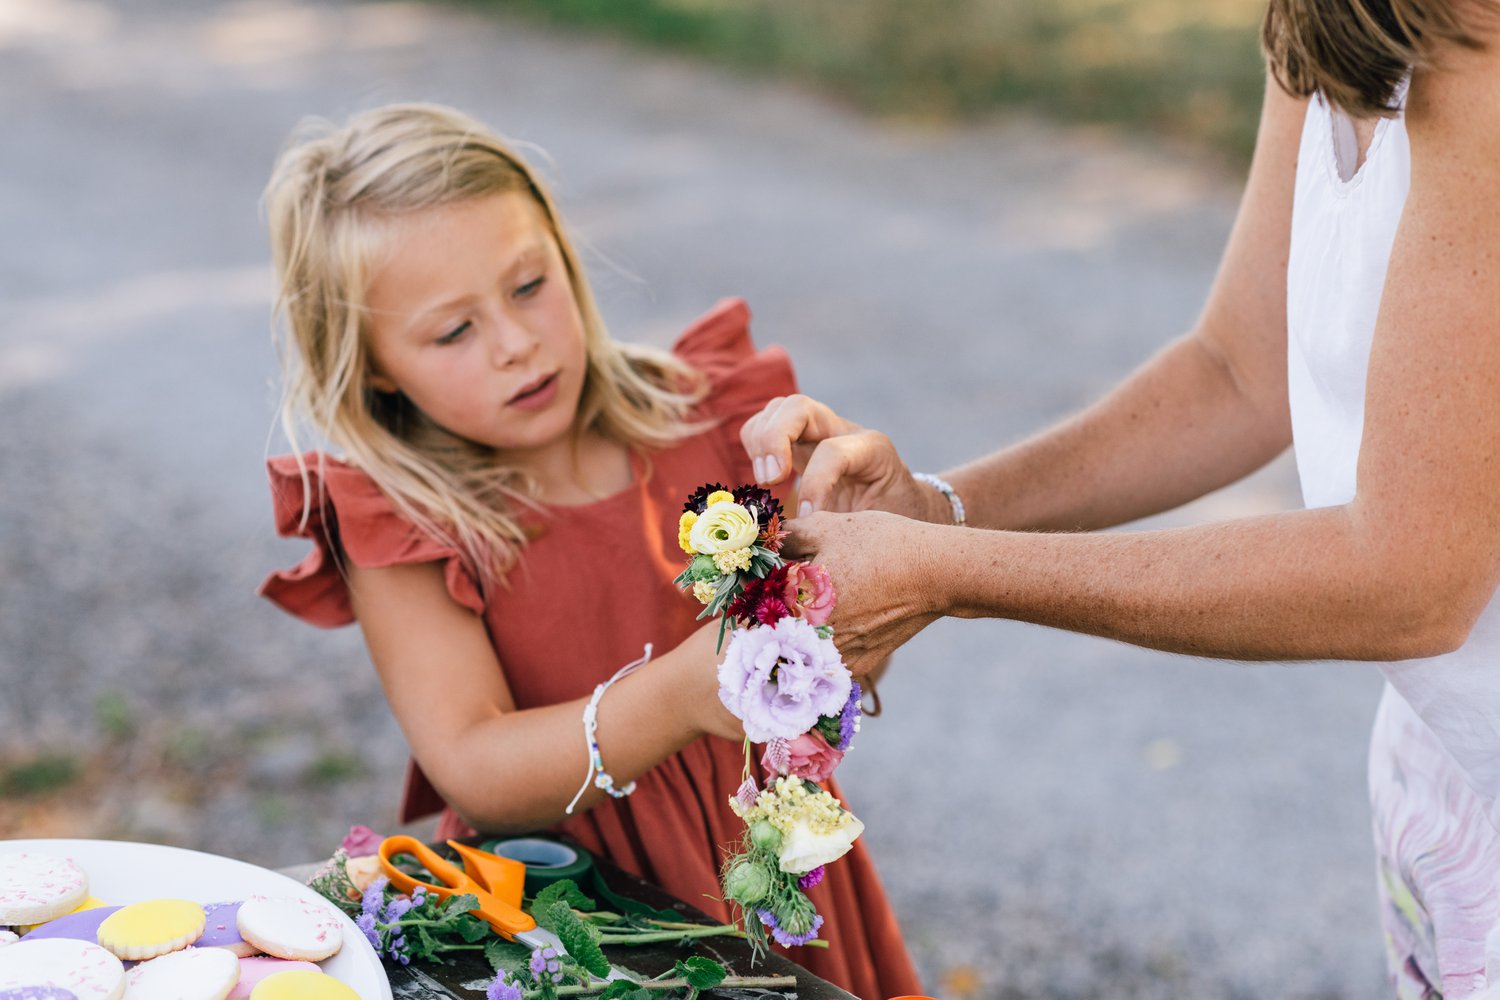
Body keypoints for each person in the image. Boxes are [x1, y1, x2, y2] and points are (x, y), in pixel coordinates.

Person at [742, 0, 1500, 996]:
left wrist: (949, 575)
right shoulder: (1329, 23)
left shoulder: (1478, 46)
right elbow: (1239, 372)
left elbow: (1410, 578)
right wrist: (939, 511)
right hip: (1449, 779)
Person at [256, 103, 919, 998]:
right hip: (573, 912)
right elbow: (473, 765)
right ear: (372, 364)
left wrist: (846, 572)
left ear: (566, 255)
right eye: (454, 332)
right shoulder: (406, 519)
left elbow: (840, 644)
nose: (516, 342)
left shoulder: (713, 419)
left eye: (529, 285)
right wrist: (686, 692)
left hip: (767, 859)